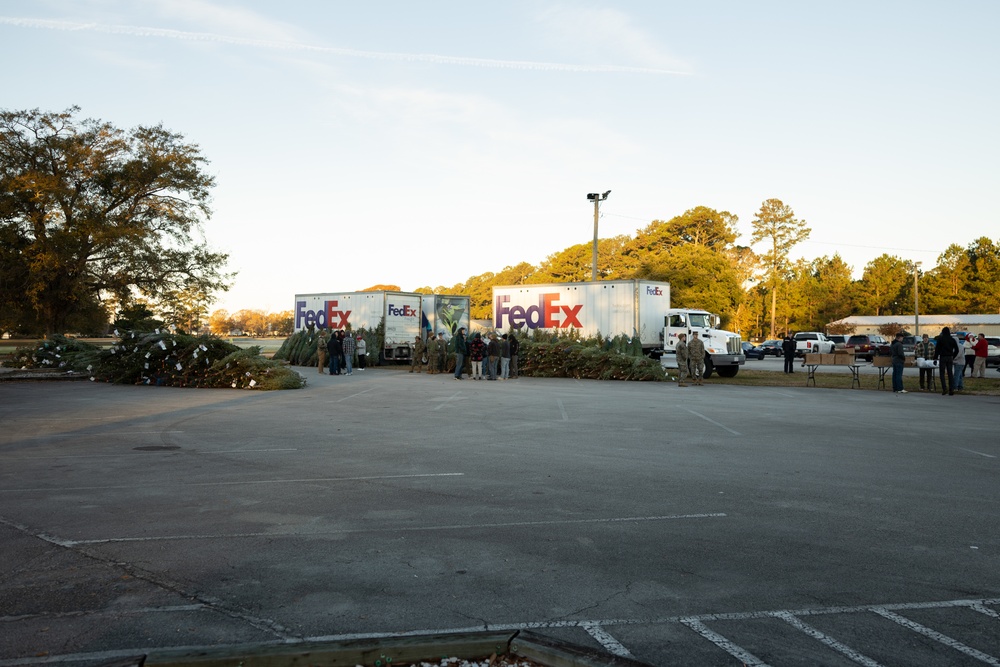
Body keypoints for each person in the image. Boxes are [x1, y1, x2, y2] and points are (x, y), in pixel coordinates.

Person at [933, 326, 958, 396]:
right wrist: (953, 356)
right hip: (950, 357)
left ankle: (944, 388)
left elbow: (937, 349)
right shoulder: (952, 340)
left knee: (942, 373)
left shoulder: (940, 339)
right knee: (950, 373)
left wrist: (935, 358)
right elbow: (957, 350)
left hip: (943, 357)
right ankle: (951, 389)